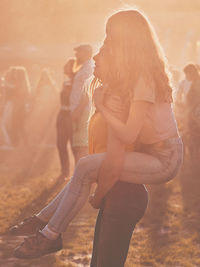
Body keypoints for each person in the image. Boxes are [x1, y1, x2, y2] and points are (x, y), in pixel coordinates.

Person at [11, 9, 183, 261]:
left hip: (165, 158)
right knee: (86, 168)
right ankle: (43, 224)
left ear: (127, 41)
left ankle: (49, 233)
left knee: (85, 167)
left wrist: (102, 106)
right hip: (153, 153)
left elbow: (127, 134)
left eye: (110, 37)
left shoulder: (143, 79)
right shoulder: (132, 79)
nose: (105, 44)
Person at [70, 44, 94, 163]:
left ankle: (82, 177)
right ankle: (79, 175)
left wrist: (78, 111)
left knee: (82, 147)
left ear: (85, 53)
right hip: (80, 111)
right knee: (79, 145)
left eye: (78, 52)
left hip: (83, 112)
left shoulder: (89, 67)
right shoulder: (84, 67)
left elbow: (87, 91)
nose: (76, 55)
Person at [56, 59, 75, 179]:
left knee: (74, 145)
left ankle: (77, 172)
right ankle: (65, 171)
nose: (64, 67)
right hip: (62, 114)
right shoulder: (65, 81)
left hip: (71, 116)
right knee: (60, 144)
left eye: (67, 66)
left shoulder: (76, 82)